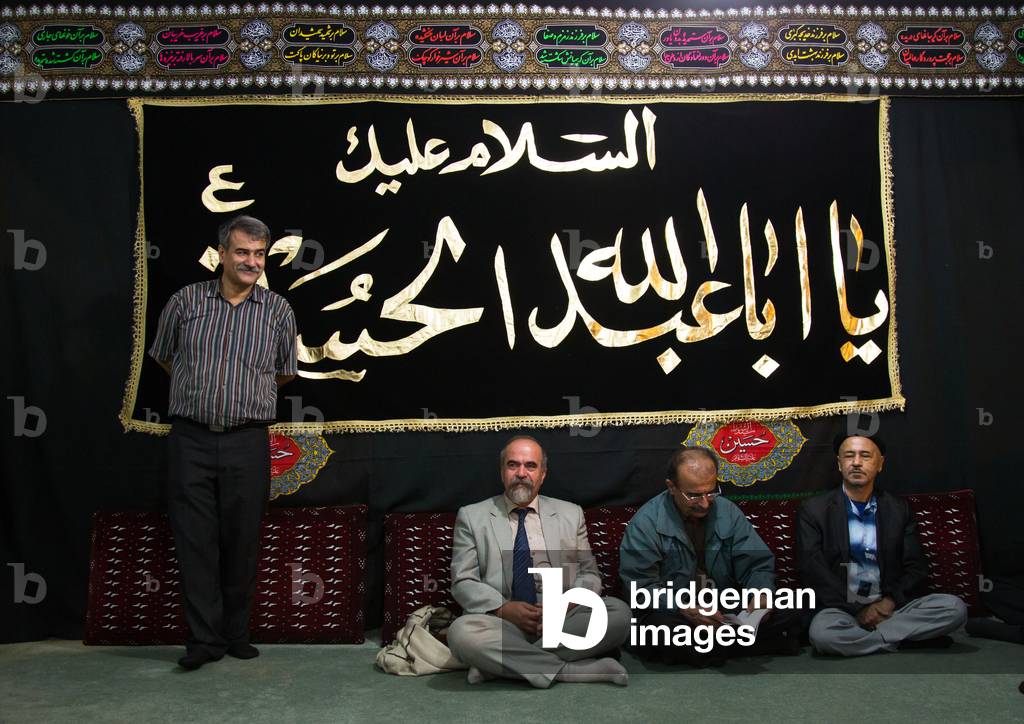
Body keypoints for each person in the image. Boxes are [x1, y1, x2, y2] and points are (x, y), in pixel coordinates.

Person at [148, 215, 297, 670]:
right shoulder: (185, 302)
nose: (251, 261)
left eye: (259, 254)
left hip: (247, 441)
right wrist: (205, 394)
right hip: (190, 439)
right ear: (221, 254)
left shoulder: (279, 311)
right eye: (242, 252)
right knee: (194, 541)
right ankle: (203, 640)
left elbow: (284, 371)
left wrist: (238, 401)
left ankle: (236, 634)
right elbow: (166, 357)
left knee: (242, 539)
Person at [447, 436, 631, 688]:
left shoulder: (570, 513)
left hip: (562, 621)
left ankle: (500, 665)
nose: (521, 473)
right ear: (502, 472)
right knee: (461, 633)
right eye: (513, 465)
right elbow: (463, 580)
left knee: (618, 614)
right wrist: (503, 609)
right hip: (502, 623)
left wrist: (566, 604)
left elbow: (589, 574)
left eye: (530, 466)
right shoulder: (472, 516)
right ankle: (568, 670)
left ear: (543, 474)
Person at [619, 446, 802, 666]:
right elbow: (641, 587)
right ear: (672, 487)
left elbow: (757, 564)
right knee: (661, 629)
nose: (705, 503)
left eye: (711, 492)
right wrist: (682, 607)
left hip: (724, 607)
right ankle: (742, 645)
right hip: (678, 613)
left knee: (793, 608)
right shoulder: (646, 523)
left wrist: (760, 592)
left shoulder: (728, 511)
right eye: (694, 495)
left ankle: (713, 648)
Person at [797, 433, 967, 656]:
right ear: (839, 464)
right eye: (849, 456)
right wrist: (859, 609)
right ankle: (905, 639)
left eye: (865, 456)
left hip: (891, 607)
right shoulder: (814, 509)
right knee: (823, 634)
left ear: (880, 464)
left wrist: (888, 602)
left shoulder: (898, 508)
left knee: (954, 608)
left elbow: (916, 567)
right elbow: (813, 570)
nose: (856, 462)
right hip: (841, 609)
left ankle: (871, 640)